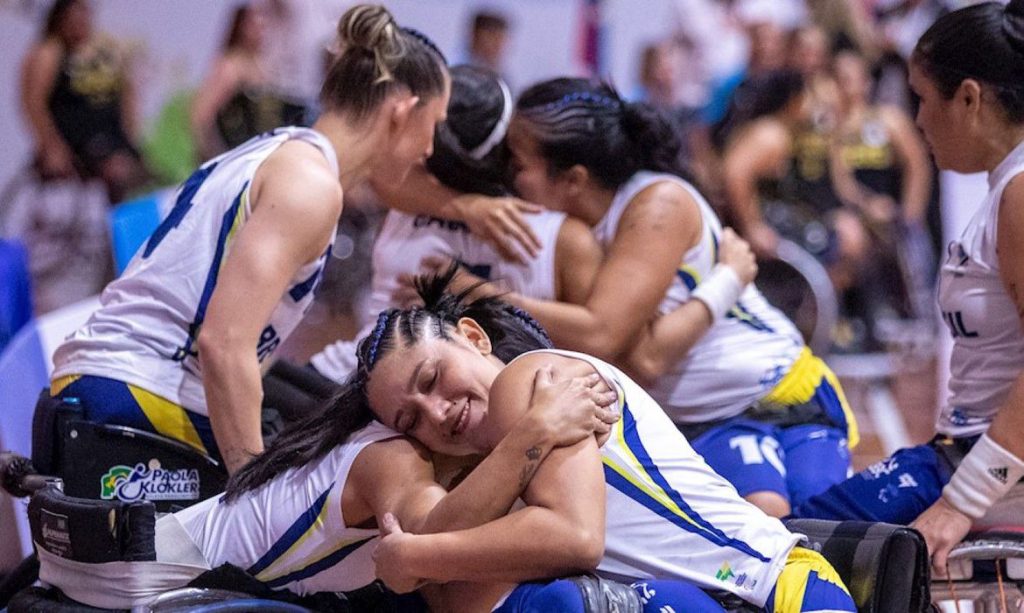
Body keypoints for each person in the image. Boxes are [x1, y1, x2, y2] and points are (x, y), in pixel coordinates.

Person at [48, 4, 450, 475]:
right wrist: (250, 489)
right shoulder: (310, 186)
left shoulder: (283, 151)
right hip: (135, 398)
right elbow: (224, 344)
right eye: (435, 125)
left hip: (103, 388)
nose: (430, 149)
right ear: (402, 112)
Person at [469, 78, 856, 518]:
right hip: (705, 418)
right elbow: (636, 353)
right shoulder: (572, 229)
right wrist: (727, 279)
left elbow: (618, 344)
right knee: (772, 526)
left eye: (517, 162)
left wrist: (478, 293)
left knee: (818, 528)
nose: (507, 175)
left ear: (574, 178)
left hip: (777, 390)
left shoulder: (657, 202)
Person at [360, 272, 856, 612]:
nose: (438, 412)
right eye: (411, 420)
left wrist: (416, 559)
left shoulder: (527, 380)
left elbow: (576, 539)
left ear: (473, 337)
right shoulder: (510, 446)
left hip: (774, 591)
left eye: (432, 378)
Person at [792, 0, 1024, 575]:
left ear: (968, 99)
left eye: (922, 98)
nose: (916, 119)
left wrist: (962, 502)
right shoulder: (1005, 188)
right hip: (965, 452)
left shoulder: (1020, 193)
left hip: (985, 465)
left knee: (783, 553)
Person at [309, 64, 602, 384]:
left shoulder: (405, 197)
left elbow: (374, 172)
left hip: (350, 376)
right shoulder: (565, 236)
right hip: (449, 393)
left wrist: (476, 291)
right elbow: (599, 349)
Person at [19, 0, 148, 202]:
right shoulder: (50, 53)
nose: (81, 22)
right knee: (120, 171)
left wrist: (131, 136)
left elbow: (126, 94)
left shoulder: (103, 50)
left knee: (151, 178)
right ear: (62, 18)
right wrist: (51, 146)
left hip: (112, 138)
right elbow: (33, 103)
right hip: (78, 143)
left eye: (84, 15)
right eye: (75, 16)